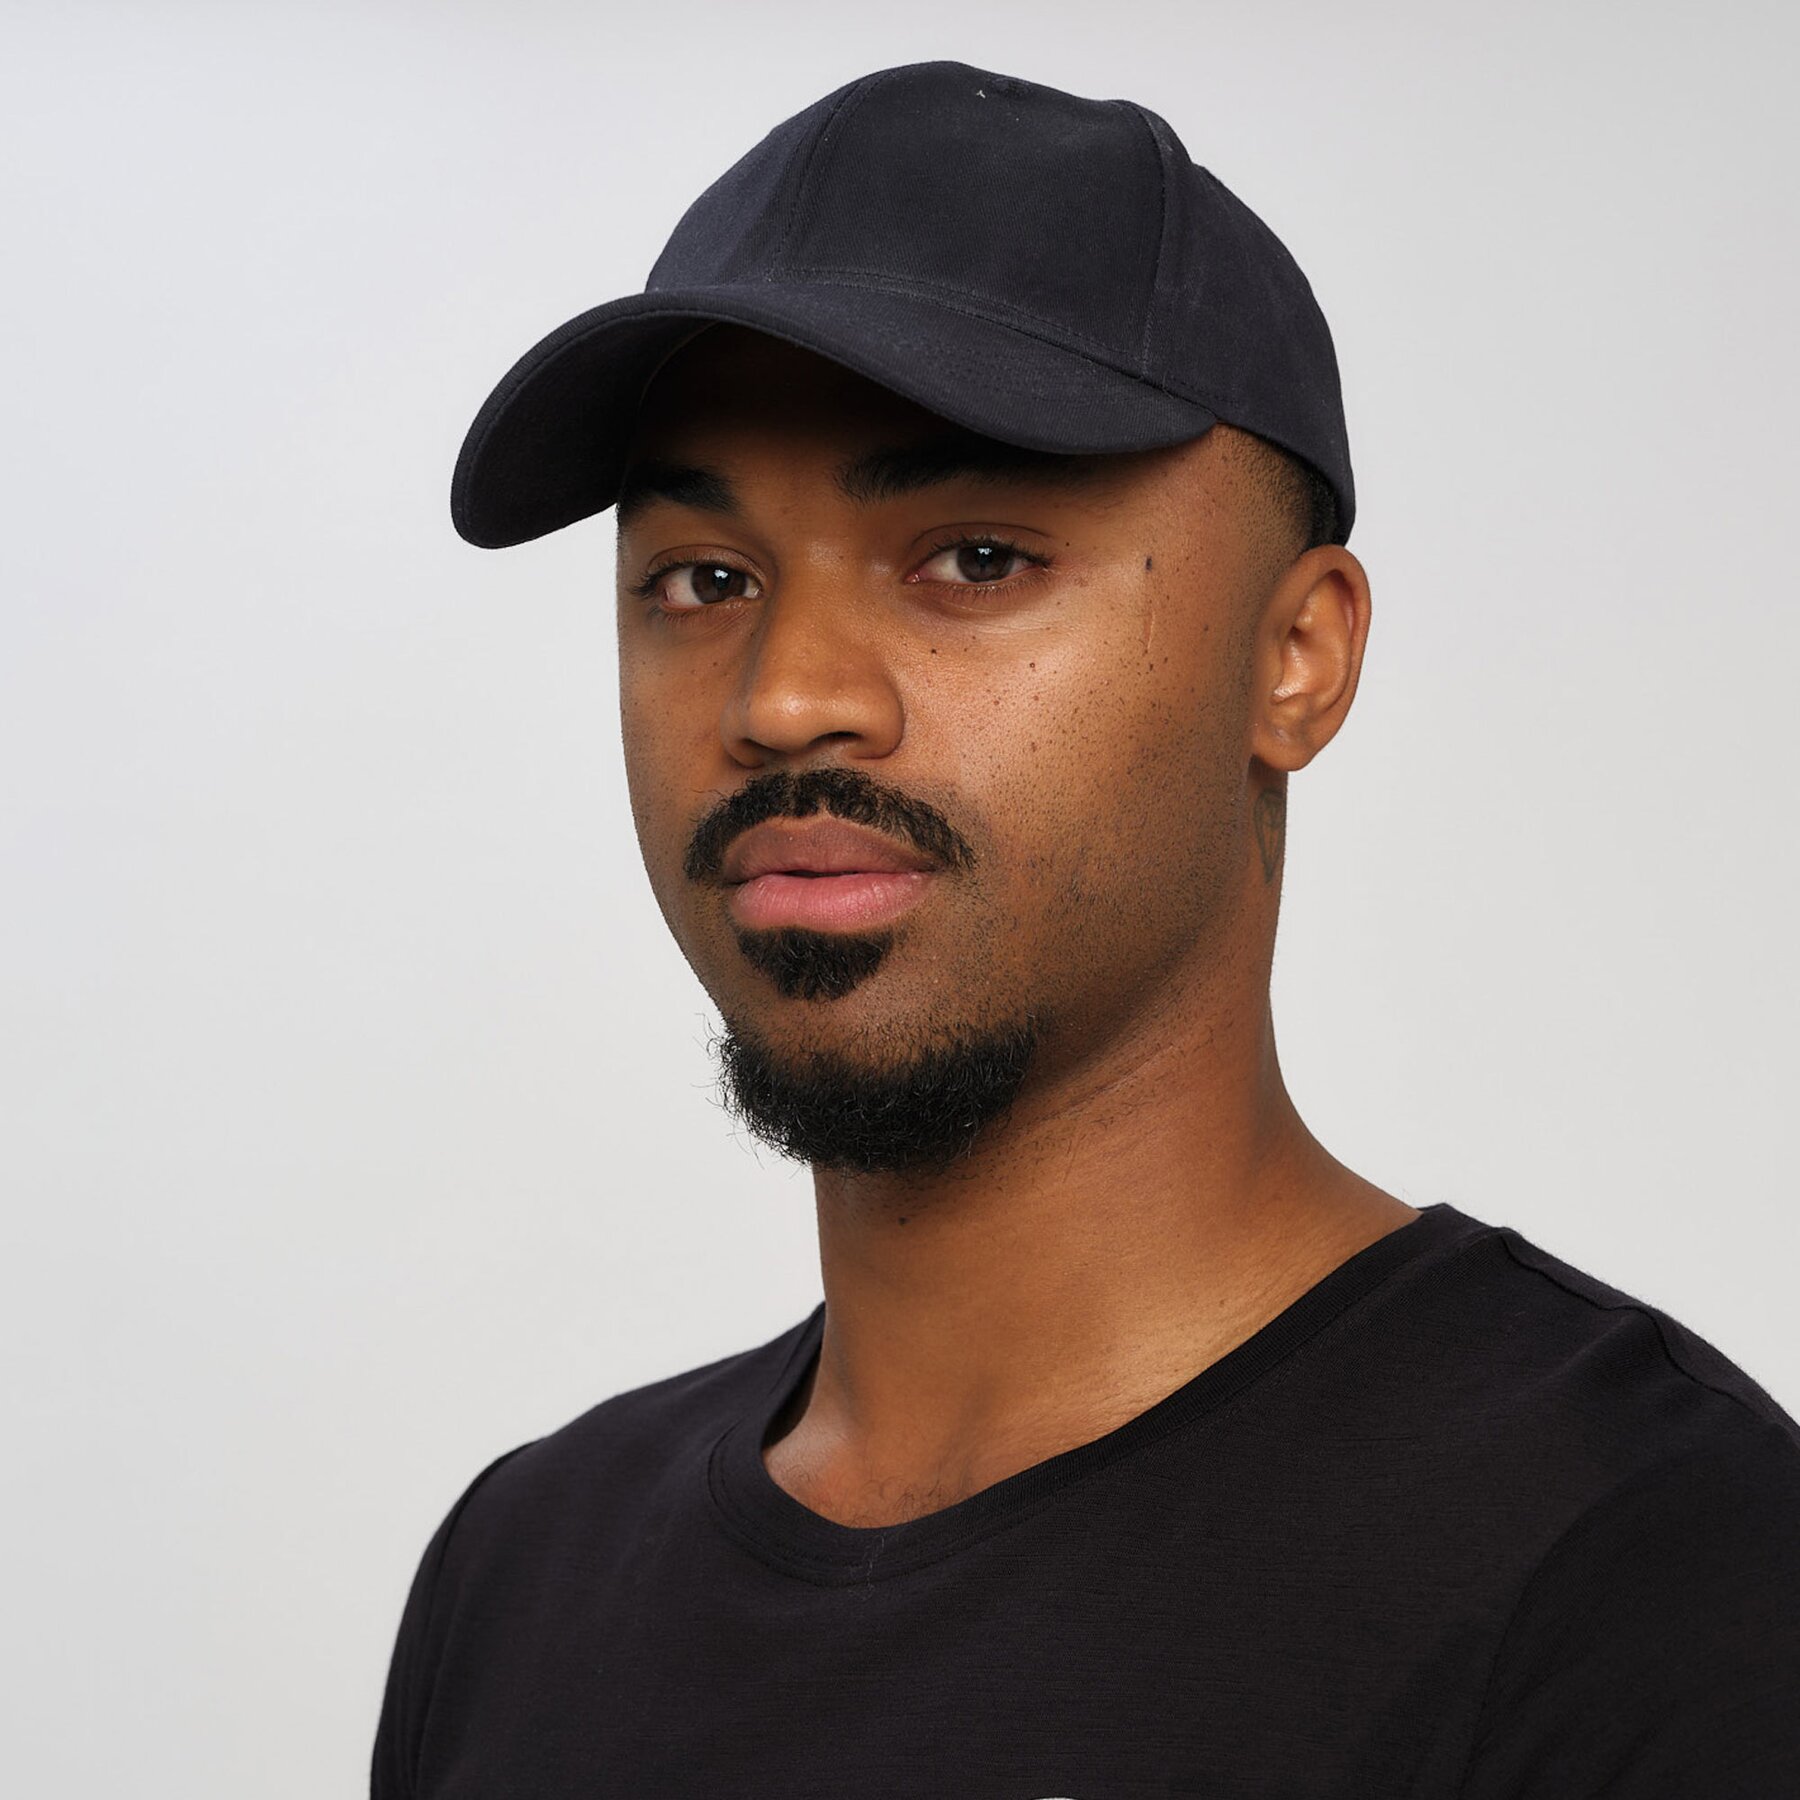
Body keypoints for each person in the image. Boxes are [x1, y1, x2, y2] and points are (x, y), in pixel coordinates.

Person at [373, 61, 1800, 1798]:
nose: (786, 697)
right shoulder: (525, 1577)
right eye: (704, 580)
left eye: (975, 559)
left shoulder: (1650, 1572)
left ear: (1296, 657)